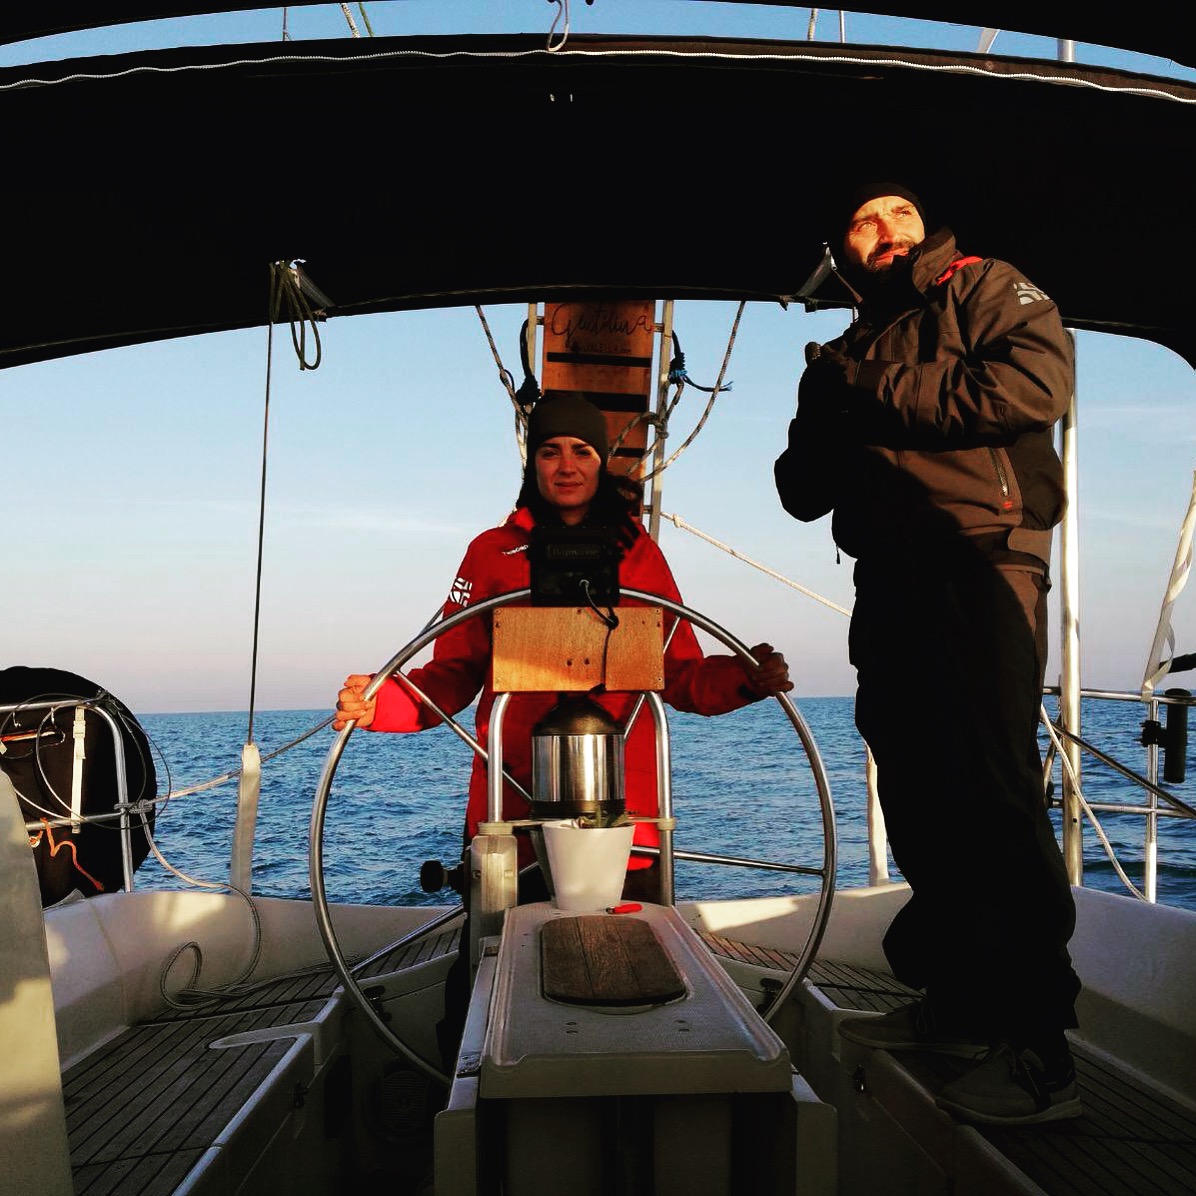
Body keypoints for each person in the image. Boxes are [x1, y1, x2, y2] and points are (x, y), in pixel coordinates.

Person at [774, 182, 1082, 1126]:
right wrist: (825, 406)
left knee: (988, 788)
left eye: (898, 212)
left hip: (982, 561)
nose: (886, 231)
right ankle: (958, 1001)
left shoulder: (982, 286)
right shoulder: (847, 349)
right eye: (864, 221)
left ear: (926, 224)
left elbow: (1031, 389)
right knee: (914, 789)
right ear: (844, 247)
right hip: (892, 580)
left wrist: (866, 390)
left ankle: (1039, 1047)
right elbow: (799, 492)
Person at [336, 390, 793, 905]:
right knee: (496, 946)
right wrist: (380, 702)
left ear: (601, 463)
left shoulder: (639, 554)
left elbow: (681, 674)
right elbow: (451, 674)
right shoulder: (490, 553)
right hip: (510, 811)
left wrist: (745, 678)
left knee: (633, 946)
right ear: (532, 463)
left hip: (624, 821)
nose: (567, 466)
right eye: (550, 451)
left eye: (582, 451)